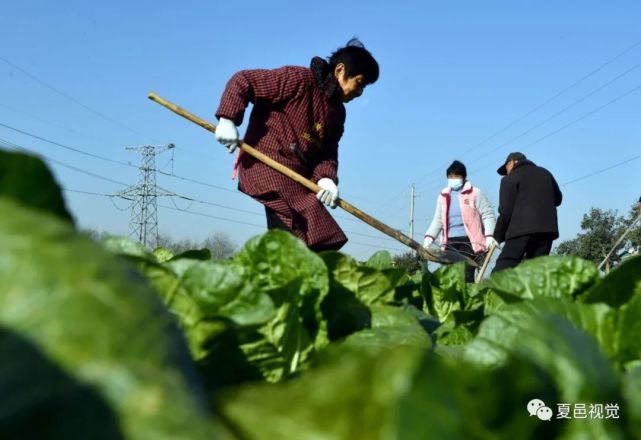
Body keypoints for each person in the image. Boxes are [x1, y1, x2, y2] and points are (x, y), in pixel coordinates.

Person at [214, 39, 379, 252]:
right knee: (295, 228)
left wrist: (326, 177)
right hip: (268, 163)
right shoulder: (299, 79)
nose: (360, 93)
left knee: (319, 231)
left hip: (297, 177)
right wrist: (227, 119)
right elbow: (244, 80)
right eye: (360, 83)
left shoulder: (337, 113)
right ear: (340, 70)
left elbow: (328, 152)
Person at [423, 160, 497, 282]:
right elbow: (438, 219)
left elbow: (488, 214)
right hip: (449, 243)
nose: (453, 179)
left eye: (456, 176)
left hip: (469, 243)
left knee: (467, 276)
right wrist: (429, 237)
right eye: (450, 176)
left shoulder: (475, 193)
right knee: (451, 278)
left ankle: (468, 299)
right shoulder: (443, 196)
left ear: (464, 177)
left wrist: (489, 235)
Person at [492, 152, 563, 273]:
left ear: (512, 162)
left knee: (503, 269)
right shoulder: (545, 173)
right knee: (537, 272)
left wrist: (497, 237)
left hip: (521, 230)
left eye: (506, 169)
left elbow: (505, 212)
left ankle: (491, 291)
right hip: (546, 230)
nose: (507, 172)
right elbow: (558, 199)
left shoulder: (510, 178)